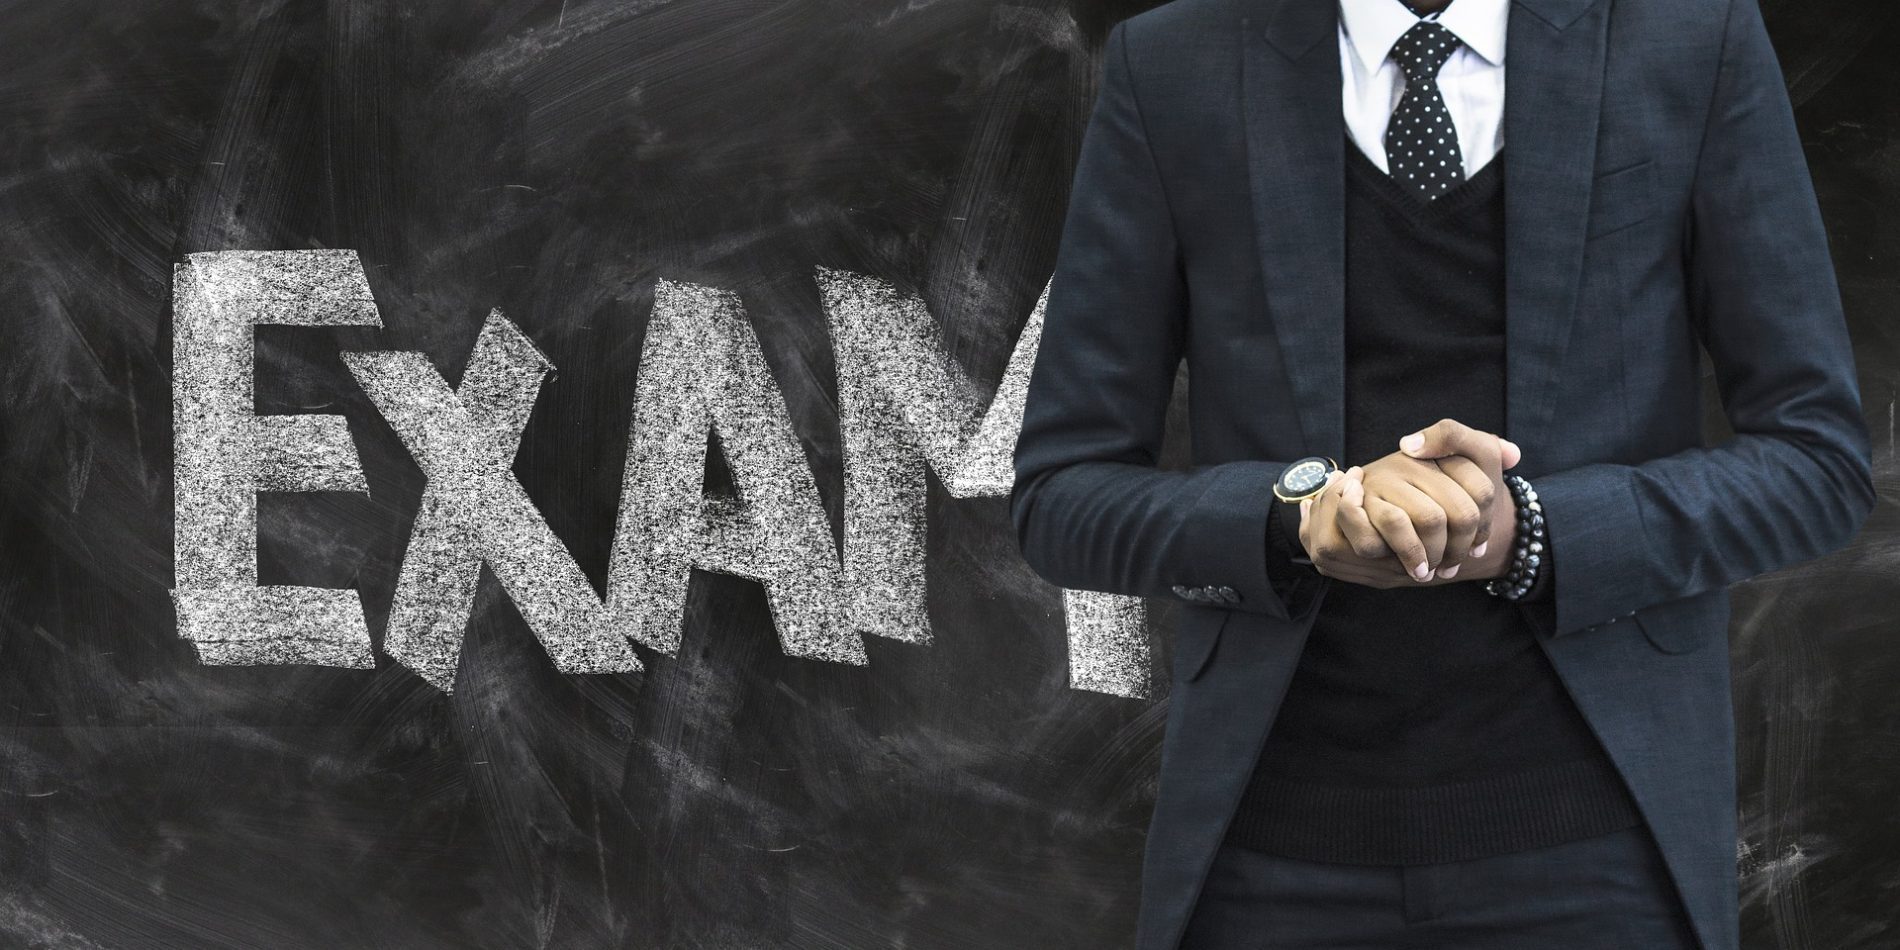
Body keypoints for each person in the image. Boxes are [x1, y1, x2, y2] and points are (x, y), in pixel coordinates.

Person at [1007, 0, 1877, 946]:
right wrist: (1294, 521)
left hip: (1600, 852)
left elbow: (1816, 465)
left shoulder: (1690, 38)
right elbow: (1063, 494)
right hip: (1266, 855)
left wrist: (1535, 532)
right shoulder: (1173, 63)